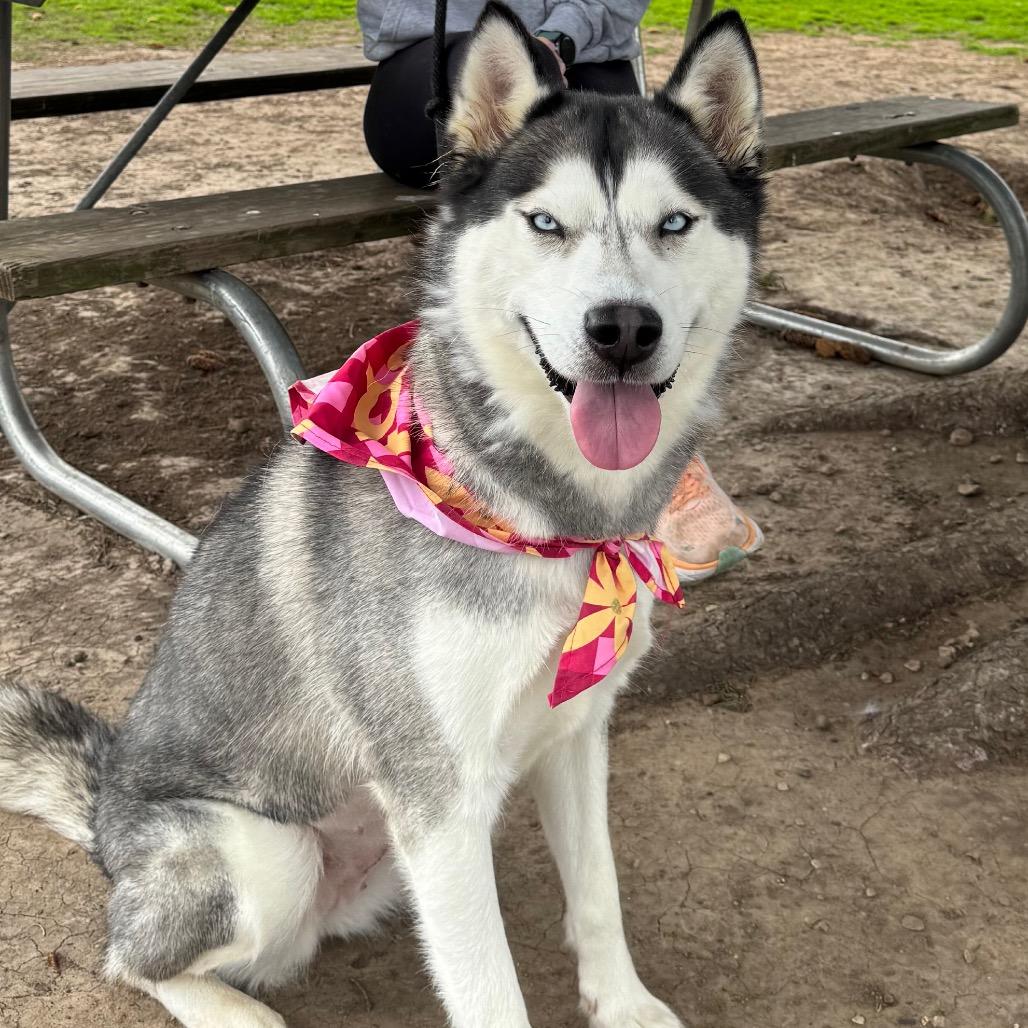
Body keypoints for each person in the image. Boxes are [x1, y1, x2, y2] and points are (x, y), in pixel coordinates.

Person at [356, 0, 762, 579]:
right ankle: (454, 432)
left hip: (589, 51)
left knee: (619, 99)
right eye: (549, 222)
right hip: (436, 45)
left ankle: (659, 465)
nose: (622, 310)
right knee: (499, 73)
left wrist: (562, 37)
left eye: (674, 222)